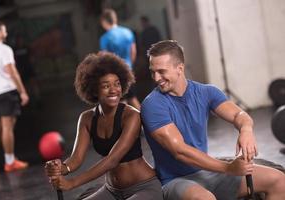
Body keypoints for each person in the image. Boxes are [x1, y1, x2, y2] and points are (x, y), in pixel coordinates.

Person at [140, 40, 285, 200]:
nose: (156, 78)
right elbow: (180, 151)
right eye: (152, 72)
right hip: (175, 180)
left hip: (208, 172)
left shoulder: (207, 92)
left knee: (279, 181)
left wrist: (246, 130)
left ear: (179, 68)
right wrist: (228, 168)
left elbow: (239, 115)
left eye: (161, 71)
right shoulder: (152, 105)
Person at [45, 52, 163, 200]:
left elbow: (112, 159)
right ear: (94, 89)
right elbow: (76, 158)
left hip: (144, 187)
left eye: (117, 84)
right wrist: (60, 168)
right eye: (106, 86)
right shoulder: (87, 119)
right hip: (112, 190)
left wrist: (72, 183)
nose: (114, 90)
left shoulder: (131, 115)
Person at [0, 21, 29, 172]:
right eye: (4, 31)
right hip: (5, 93)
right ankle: (10, 162)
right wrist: (22, 91)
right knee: (7, 126)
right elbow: (12, 71)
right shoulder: (5, 49)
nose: (6, 34)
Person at [99, 8, 141, 110]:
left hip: (115, 73)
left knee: (121, 101)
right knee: (133, 98)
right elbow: (133, 51)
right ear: (115, 19)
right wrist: (129, 65)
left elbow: (105, 58)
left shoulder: (105, 38)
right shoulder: (128, 32)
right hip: (128, 69)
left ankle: (125, 124)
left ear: (104, 22)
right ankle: (146, 121)